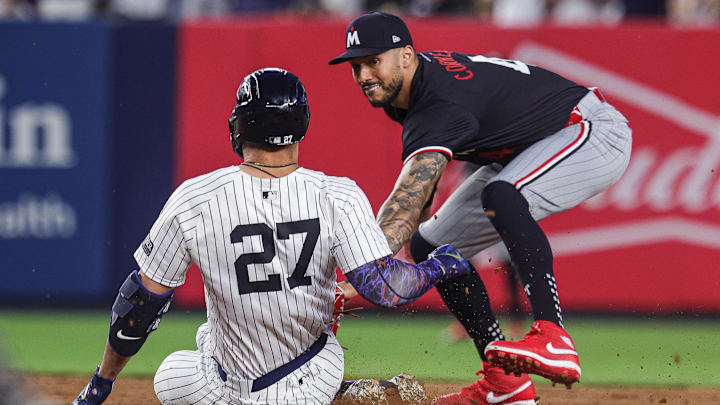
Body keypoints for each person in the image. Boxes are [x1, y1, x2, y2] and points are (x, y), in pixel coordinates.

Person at [70, 68, 473, 405]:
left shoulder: (195, 197)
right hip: (309, 382)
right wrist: (441, 266)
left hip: (224, 387)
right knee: (234, 344)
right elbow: (385, 289)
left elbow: (140, 303)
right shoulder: (338, 194)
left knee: (171, 373)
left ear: (241, 124)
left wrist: (101, 384)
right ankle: (343, 394)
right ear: (302, 125)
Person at [329, 12, 632, 405]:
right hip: (524, 147)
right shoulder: (408, 91)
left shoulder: (435, 101)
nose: (364, 75)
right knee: (428, 245)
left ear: (406, 56)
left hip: (589, 128)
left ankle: (554, 338)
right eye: (356, 66)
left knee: (502, 195)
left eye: (373, 61)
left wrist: (360, 269)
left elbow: (405, 201)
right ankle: (506, 383)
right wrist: (372, 262)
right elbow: (420, 197)